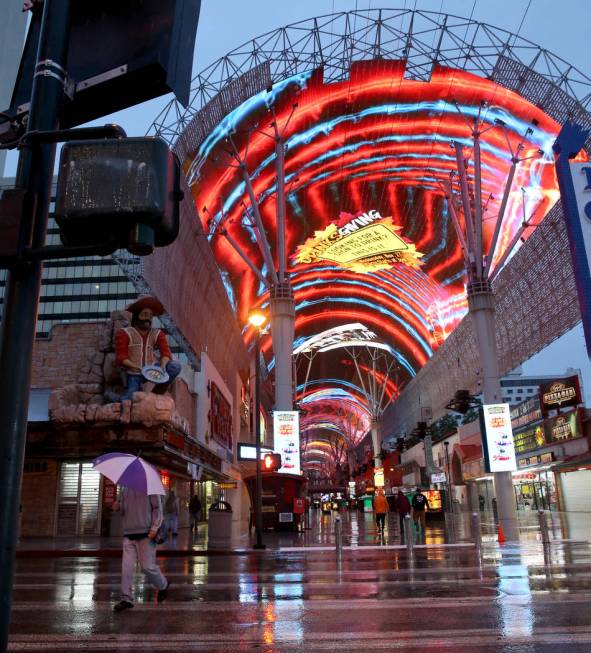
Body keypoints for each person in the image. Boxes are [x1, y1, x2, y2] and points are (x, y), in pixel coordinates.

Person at [112, 486, 169, 612]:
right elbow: (122, 509)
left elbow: (157, 508)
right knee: (126, 568)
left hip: (146, 534)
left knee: (147, 566)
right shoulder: (124, 488)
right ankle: (126, 598)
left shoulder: (149, 486)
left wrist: (155, 527)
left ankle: (163, 585)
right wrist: (118, 507)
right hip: (128, 533)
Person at [114, 296, 182, 401]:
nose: (148, 319)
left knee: (175, 366)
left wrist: (163, 366)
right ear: (137, 316)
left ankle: (154, 395)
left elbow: (166, 353)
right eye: (144, 315)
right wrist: (137, 367)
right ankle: (115, 397)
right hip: (134, 371)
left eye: (150, 316)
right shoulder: (125, 333)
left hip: (151, 369)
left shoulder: (157, 333)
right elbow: (121, 358)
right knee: (130, 398)